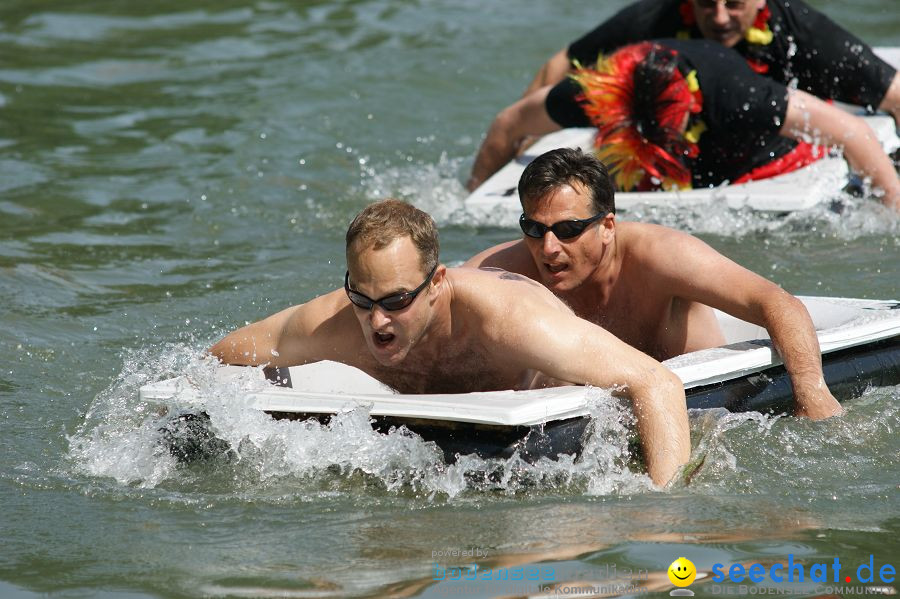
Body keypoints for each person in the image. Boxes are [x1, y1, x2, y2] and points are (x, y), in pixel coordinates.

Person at [209, 199, 690, 485]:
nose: (376, 320)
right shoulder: (330, 324)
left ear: (437, 283)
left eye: (397, 300)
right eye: (362, 296)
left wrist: (662, 524)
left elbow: (656, 382)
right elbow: (219, 358)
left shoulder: (510, 322)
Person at [465, 148, 843, 420]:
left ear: (608, 226)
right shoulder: (505, 270)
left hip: (712, 407)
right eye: (534, 229)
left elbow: (776, 303)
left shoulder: (661, 256)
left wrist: (812, 393)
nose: (548, 248)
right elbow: (432, 302)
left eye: (568, 230)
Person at [466, 40, 900, 211]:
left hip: (752, 150)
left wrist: (892, 213)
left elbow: (853, 133)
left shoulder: (737, 95)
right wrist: (470, 197)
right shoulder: (592, 93)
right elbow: (507, 124)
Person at [522, 0, 900, 126]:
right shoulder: (657, 17)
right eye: (706, 4)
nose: (719, 18)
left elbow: (895, 95)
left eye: (733, 4)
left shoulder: (804, 34)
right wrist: (522, 136)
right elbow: (564, 62)